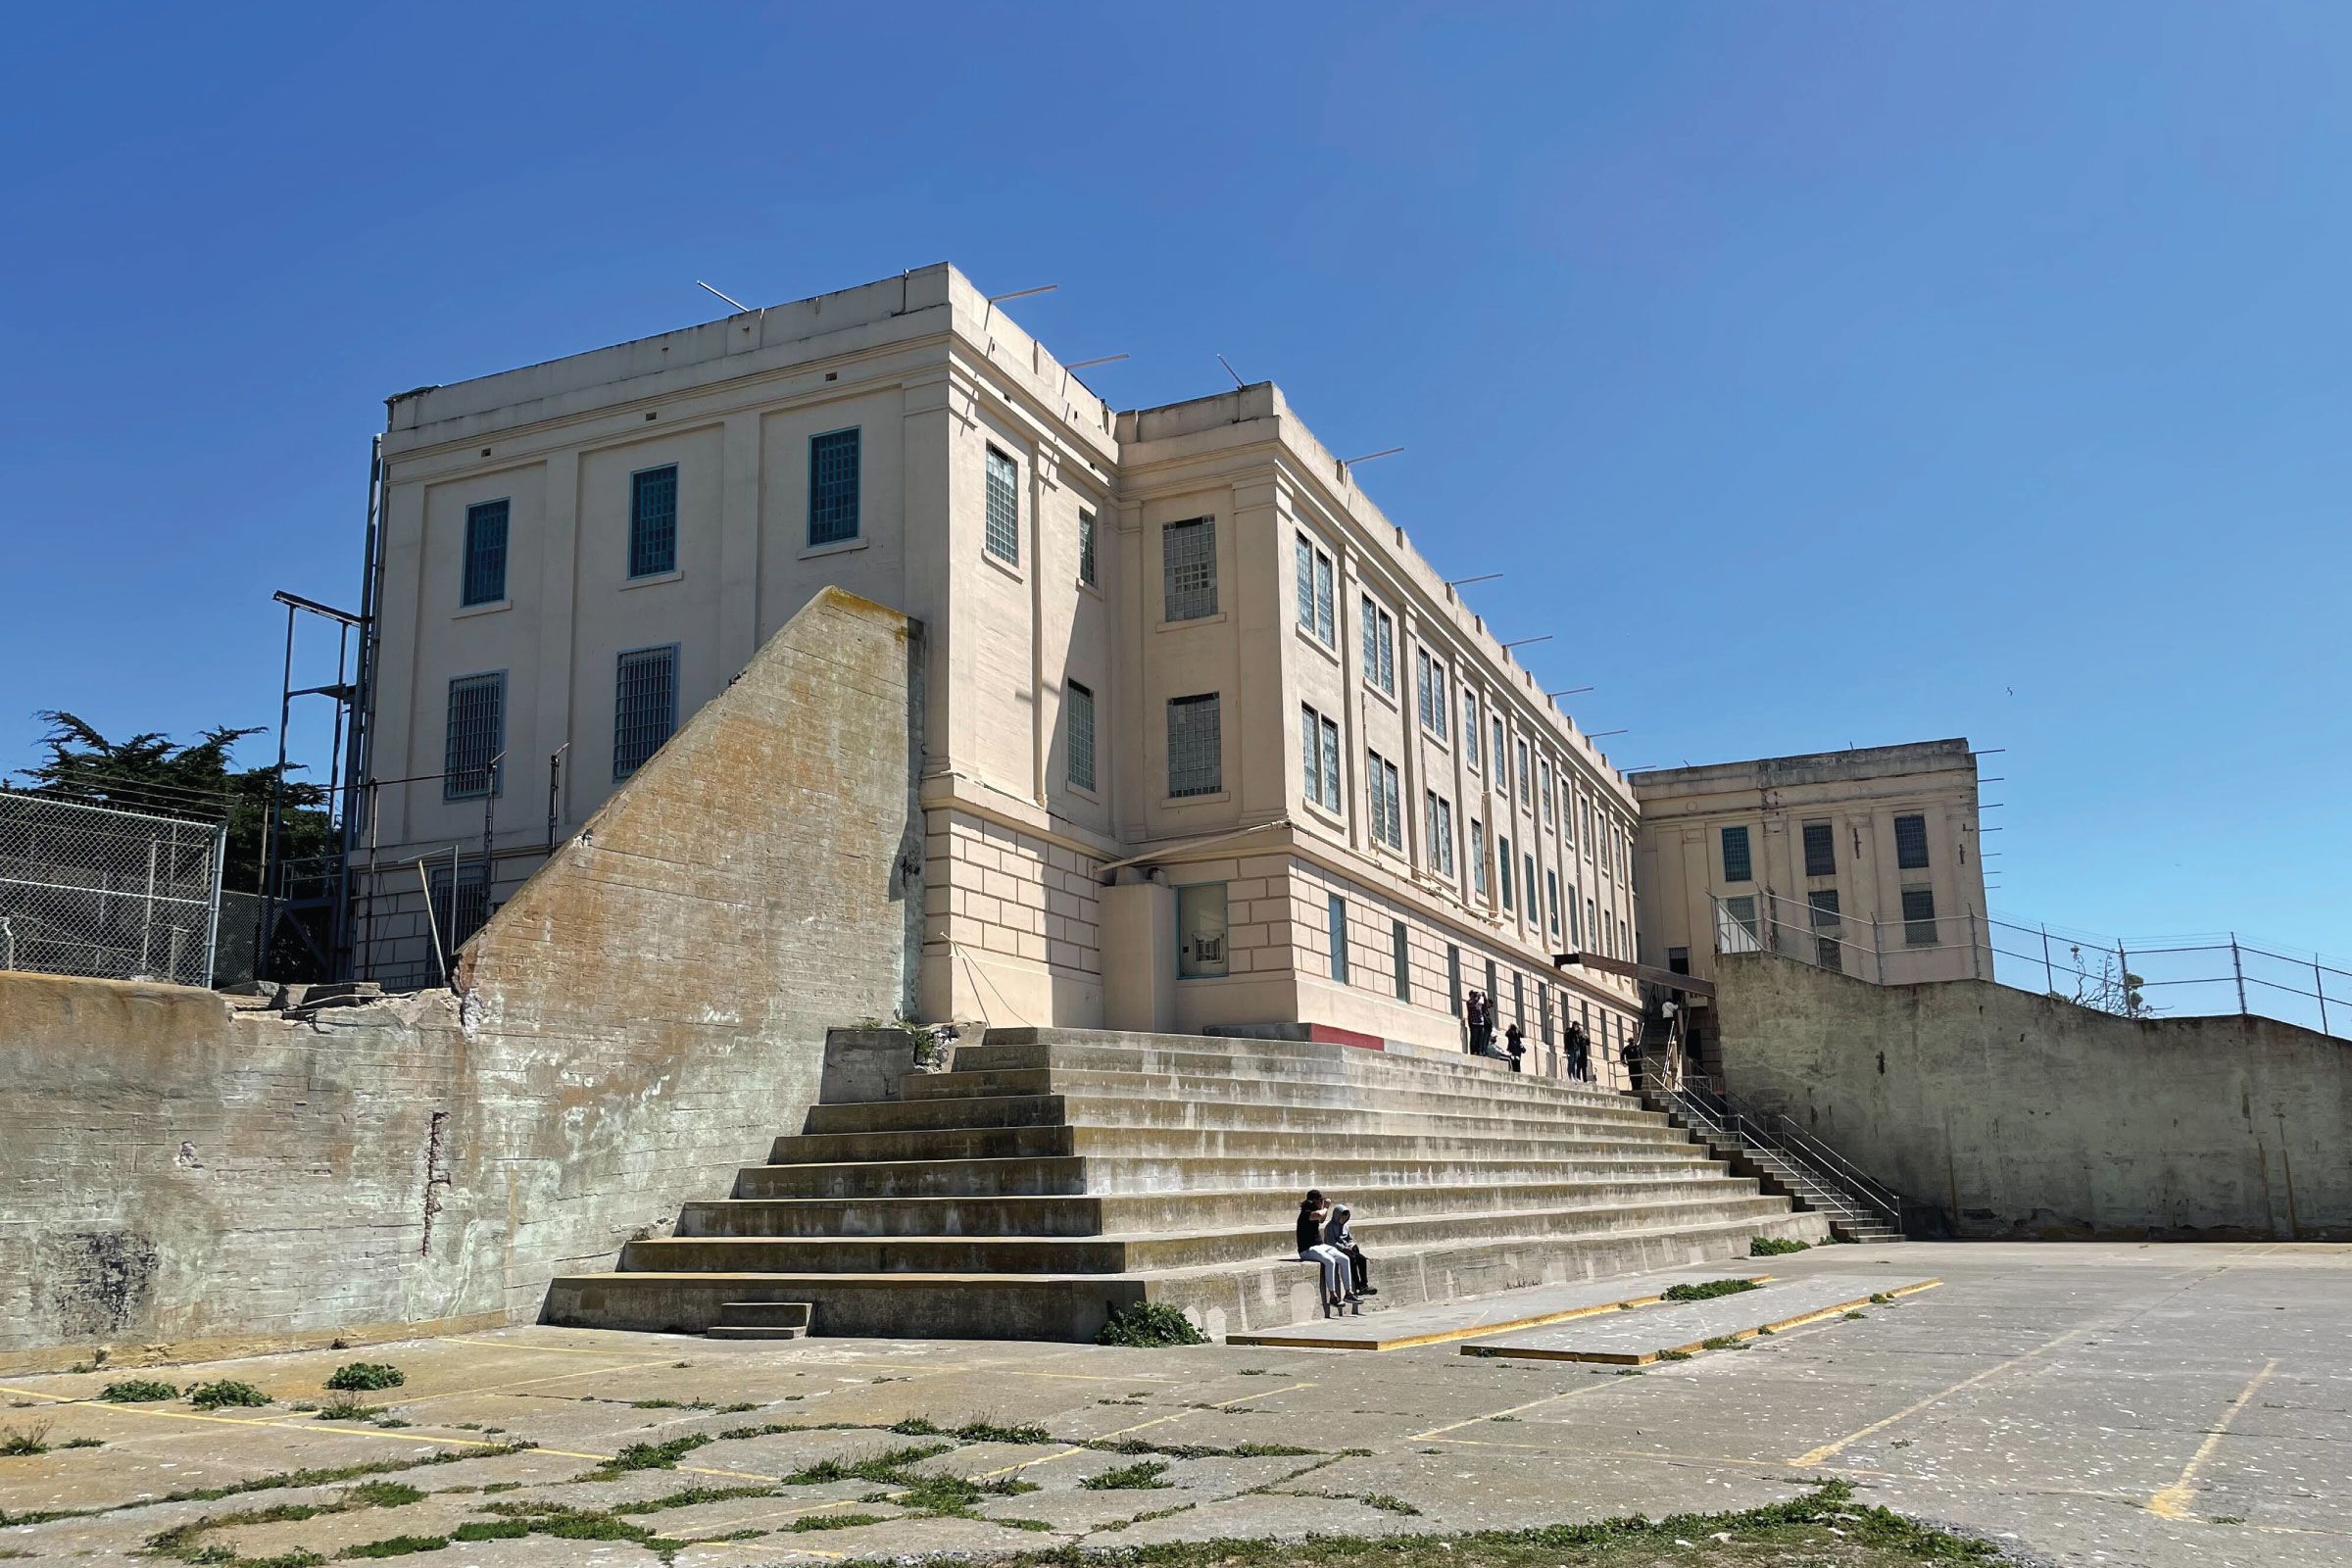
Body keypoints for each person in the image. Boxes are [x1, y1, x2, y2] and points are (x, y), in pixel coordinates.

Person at [1296, 1191, 1354, 1313]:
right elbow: (1318, 1215)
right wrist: (1326, 1207)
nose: (1322, 1202)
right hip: (1307, 1249)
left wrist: (1324, 1208)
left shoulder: (1315, 1212)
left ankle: (1348, 1293)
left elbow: (1321, 1219)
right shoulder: (1306, 1213)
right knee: (1330, 1261)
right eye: (1320, 1200)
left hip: (1320, 1246)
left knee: (1344, 1259)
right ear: (1314, 1201)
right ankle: (1333, 1296)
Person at [1324, 1201, 1375, 1297]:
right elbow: (1331, 1242)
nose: (1343, 1219)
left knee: (1362, 1259)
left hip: (1348, 1249)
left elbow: (1349, 1238)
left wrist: (1352, 1244)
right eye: (1342, 1217)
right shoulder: (1330, 1227)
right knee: (1352, 1261)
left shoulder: (1345, 1226)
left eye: (1345, 1217)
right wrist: (1343, 1248)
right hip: (1336, 1250)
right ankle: (1358, 1286)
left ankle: (1364, 1285)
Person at [1464, 990, 1491, 1056]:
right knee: (1474, 1038)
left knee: (1480, 1039)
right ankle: (1473, 1051)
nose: (1475, 995)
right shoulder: (1469, 1002)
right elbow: (1473, 1002)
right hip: (1474, 1023)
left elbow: (1485, 1006)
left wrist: (1484, 997)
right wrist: (1478, 996)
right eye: (1474, 994)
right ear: (1471, 995)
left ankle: (1479, 1051)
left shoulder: (1479, 1003)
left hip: (1480, 1023)